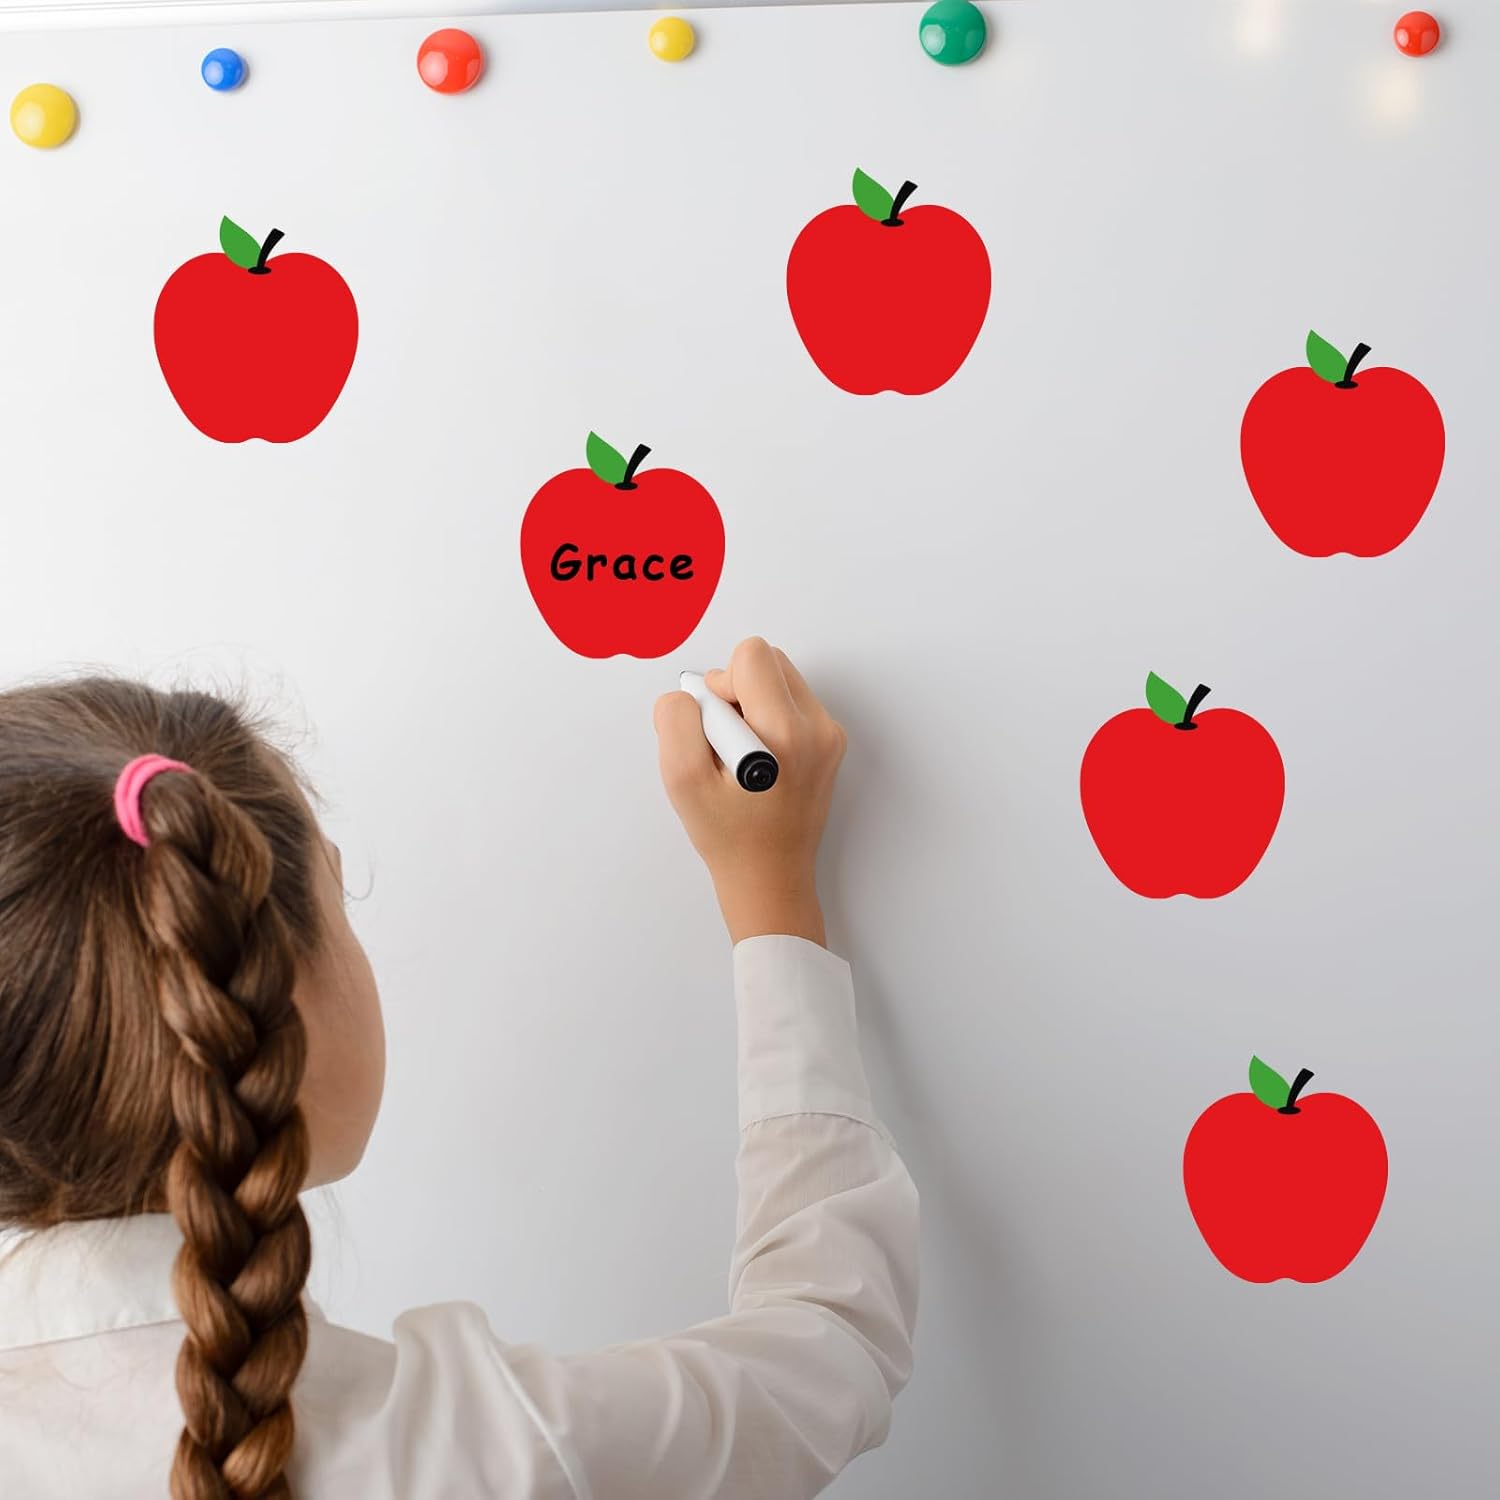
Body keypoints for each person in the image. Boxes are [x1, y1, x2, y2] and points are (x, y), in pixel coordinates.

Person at [0, 637, 918, 1499]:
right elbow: (827, 1349)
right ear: (253, 993)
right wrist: (771, 894)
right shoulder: (481, 1449)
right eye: (338, 887)